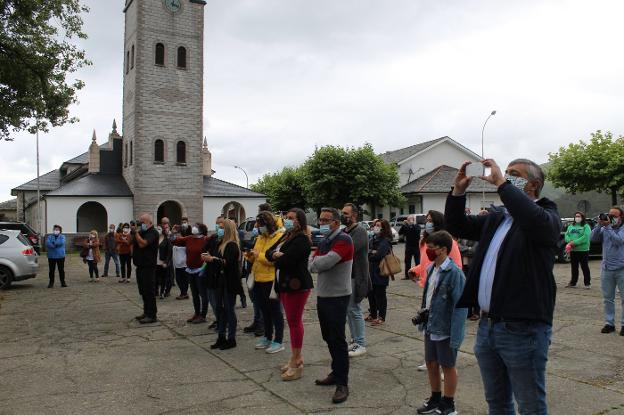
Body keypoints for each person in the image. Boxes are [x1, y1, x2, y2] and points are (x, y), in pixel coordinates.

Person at [445, 158, 560, 414]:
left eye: (514, 174)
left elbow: (534, 221)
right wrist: (458, 192)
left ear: (533, 185)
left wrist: (501, 183)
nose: (505, 176)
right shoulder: (498, 218)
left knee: (529, 405)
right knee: (496, 402)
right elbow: (456, 226)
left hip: (522, 330)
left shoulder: (546, 216)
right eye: (505, 172)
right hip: (488, 327)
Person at [416, 231, 468, 415]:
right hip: (431, 324)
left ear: (443, 249)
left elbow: (460, 307)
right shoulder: (431, 269)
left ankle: (449, 403)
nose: (428, 251)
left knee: (447, 365)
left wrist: (456, 334)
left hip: (445, 328)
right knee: (431, 363)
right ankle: (435, 398)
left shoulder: (455, 274)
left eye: (431, 248)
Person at [309, 207, 354, 404]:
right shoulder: (326, 240)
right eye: (320, 220)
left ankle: (342, 384)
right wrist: (314, 260)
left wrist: (314, 260)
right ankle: (336, 373)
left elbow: (323, 263)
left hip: (337, 296)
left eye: (326, 220)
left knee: (338, 339)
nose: (322, 223)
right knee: (328, 337)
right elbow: (312, 264)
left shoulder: (344, 239)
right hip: (324, 295)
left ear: (336, 222)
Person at [409, 210, 463, 373]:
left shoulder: (448, 241)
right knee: (429, 323)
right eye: (426, 220)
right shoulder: (426, 241)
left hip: (444, 289)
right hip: (429, 286)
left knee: (441, 326)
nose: (427, 222)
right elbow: (428, 263)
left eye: (430, 220)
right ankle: (431, 359)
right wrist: (417, 270)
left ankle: (444, 362)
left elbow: (456, 265)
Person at [267, 208, 314, 381]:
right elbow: (268, 253)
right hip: (285, 285)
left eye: (291, 218)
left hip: (297, 286)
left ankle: (296, 360)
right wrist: (277, 254)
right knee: (292, 321)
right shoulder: (287, 235)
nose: (288, 220)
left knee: (294, 322)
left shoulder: (302, 239)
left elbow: (287, 260)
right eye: (287, 217)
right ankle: (295, 357)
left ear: (300, 220)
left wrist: (278, 256)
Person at [245, 211, 285, 354]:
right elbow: (256, 256)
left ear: (268, 224)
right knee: (264, 311)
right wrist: (249, 256)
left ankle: (278, 340)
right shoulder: (260, 237)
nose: (258, 227)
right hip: (257, 278)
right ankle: (267, 337)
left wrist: (259, 255)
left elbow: (275, 260)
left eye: (260, 225)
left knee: (275, 312)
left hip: (270, 280)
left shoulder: (279, 237)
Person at [205, 219, 243, 350]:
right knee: (220, 310)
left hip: (229, 282)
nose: (218, 229)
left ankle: (231, 338)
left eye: (221, 227)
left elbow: (227, 262)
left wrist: (213, 259)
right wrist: (209, 257)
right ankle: (221, 336)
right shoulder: (219, 243)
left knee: (229, 309)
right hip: (219, 281)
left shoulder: (232, 245)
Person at [341, 203, 370, 358]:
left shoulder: (360, 231)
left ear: (354, 215)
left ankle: (360, 343)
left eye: (346, 213)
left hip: (356, 276)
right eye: (342, 213)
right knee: (349, 311)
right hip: (346, 276)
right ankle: (354, 340)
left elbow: (347, 251)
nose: (343, 215)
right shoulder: (345, 231)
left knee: (354, 309)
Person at [591, 206, 624, 335]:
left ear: (621, 217)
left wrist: (608, 227)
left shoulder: (621, 228)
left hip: (622, 268)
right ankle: (609, 323)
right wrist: (599, 225)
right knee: (607, 299)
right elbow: (592, 239)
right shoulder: (604, 228)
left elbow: (619, 241)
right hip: (607, 268)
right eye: (609, 215)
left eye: (614, 216)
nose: (610, 218)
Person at [173, 223, 212, 325]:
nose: (194, 228)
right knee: (194, 294)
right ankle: (196, 313)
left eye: (197, 226)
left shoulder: (205, 239)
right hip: (190, 270)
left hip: (200, 270)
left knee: (203, 294)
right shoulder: (189, 238)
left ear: (201, 229)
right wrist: (173, 232)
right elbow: (175, 241)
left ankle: (203, 315)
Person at [132, 214, 160, 324]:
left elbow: (143, 244)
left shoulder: (153, 232)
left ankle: (152, 315)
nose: (141, 224)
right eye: (140, 222)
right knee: (143, 291)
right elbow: (130, 242)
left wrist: (136, 233)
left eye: (143, 222)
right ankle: (146, 312)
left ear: (150, 223)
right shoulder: (141, 232)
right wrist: (132, 232)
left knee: (149, 291)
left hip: (149, 266)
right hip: (140, 266)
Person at [366, 219, 393, 326]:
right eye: (374, 225)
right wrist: (371, 252)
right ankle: (373, 315)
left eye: (378, 225)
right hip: (370, 271)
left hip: (381, 271)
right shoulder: (373, 238)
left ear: (383, 228)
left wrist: (372, 253)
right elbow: (367, 251)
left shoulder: (385, 241)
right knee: (371, 294)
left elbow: (379, 255)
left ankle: (381, 316)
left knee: (380, 295)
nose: (375, 227)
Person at [565, 211, 592, 289]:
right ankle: (573, 283)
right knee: (574, 267)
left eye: (579, 216)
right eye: (576, 216)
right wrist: (569, 241)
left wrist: (574, 242)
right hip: (573, 250)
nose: (577, 218)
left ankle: (587, 283)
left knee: (584, 267)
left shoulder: (586, 226)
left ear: (582, 217)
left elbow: (585, 237)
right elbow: (566, 235)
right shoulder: (571, 226)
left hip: (583, 250)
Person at [399, 215, 421, 280]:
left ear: (414, 220)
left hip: (416, 246)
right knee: (407, 261)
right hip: (408, 246)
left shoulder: (417, 226)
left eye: (411, 220)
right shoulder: (406, 227)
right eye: (408, 220)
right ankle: (407, 276)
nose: (409, 221)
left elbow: (417, 233)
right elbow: (400, 232)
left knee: (417, 261)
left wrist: (413, 225)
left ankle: (418, 275)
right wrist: (403, 225)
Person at [172, 224, 190, 299]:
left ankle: (184, 293)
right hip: (177, 263)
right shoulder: (175, 240)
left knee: (184, 279)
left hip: (184, 263)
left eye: (178, 233)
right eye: (176, 233)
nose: (177, 235)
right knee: (178, 279)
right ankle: (183, 292)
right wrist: (173, 232)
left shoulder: (185, 240)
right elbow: (171, 239)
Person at [155, 226, 173, 299]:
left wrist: (166, 262)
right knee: (155, 278)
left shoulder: (167, 240)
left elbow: (169, 252)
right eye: (156, 229)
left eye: (159, 229)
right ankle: (156, 291)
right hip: (155, 262)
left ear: (162, 230)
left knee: (163, 278)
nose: (157, 230)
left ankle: (162, 292)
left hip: (163, 262)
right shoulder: (154, 240)